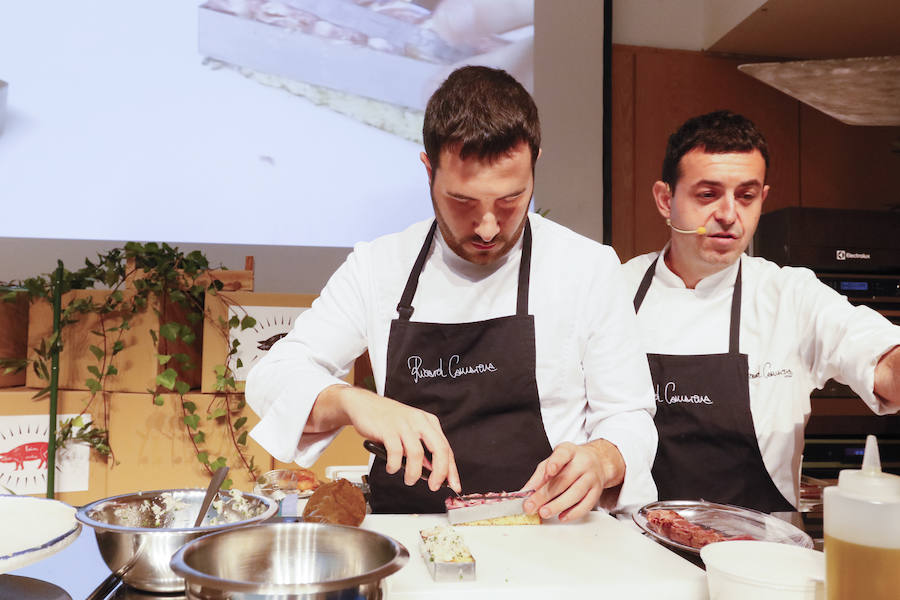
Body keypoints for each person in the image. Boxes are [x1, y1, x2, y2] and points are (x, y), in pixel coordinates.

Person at [246, 66, 658, 519]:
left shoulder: (587, 268)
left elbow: (629, 416)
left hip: (548, 539)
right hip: (407, 541)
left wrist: (603, 458)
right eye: (462, 202)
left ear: (535, 162)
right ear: (428, 170)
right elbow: (273, 376)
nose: (487, 227)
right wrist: (350, 401)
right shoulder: (378, 266)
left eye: (509, 201)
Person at [622, 110, 900, 513]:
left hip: (763, 556)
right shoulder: (617, 291)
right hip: (636, 551)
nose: (729, 214)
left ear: (762, 200)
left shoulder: (790, 296)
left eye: (746, 196)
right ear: (666, 200)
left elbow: (884, 363)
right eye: (707, 194)